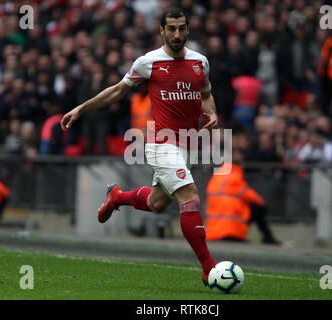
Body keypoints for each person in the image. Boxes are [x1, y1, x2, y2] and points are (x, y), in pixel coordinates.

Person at [60, 8, 218, 286]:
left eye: (182, 28)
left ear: (188, 30)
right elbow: (117, 90)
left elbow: (205, 93)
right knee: (190, 197)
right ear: (161, 30)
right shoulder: (149, 62)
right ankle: (210, 268)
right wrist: (81, 108)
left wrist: (212, 112)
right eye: (171, 28)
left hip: (189, 145)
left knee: (157, 203)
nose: (177, 34)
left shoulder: (200, 62)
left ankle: (117, 197)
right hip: (161, 143)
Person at [205, 130, 280, 244]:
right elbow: (252, 196)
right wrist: (263, 203)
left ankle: (268, 238)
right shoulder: (234, 175)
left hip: (213, 230)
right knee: (259, 208)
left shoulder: (219, 173)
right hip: (229, 231)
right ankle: (268, 238)